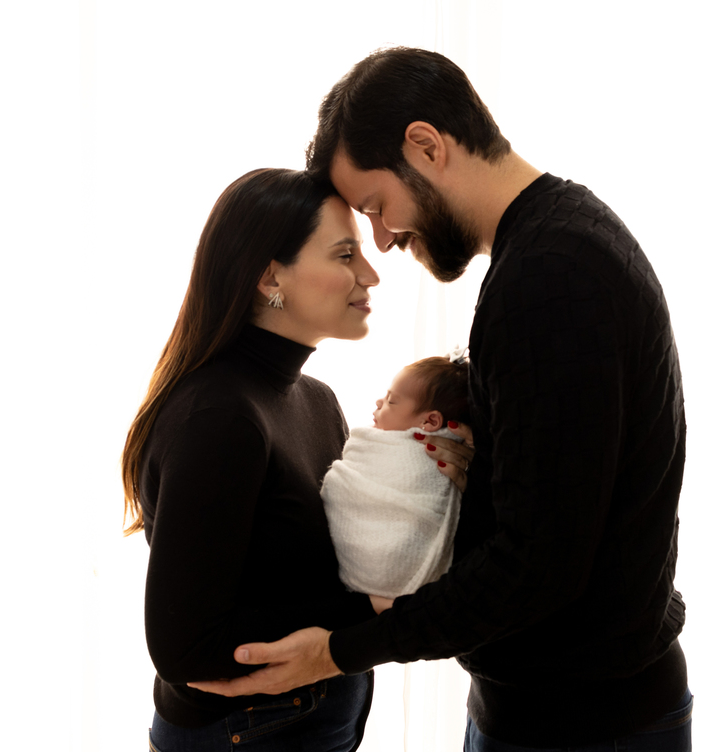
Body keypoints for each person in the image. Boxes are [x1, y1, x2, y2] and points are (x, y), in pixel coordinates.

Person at [190, 49, 692, 751]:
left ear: (426, 146)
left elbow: (536, 568)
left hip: (580, 726)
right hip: (559, 710)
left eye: (376, 208)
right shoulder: (564, 241)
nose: (385, 240)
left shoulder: (548, 277)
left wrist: (339, 651)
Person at [120, 168, 465, 751]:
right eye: (345, 254)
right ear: (269, 276)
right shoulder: (221, 419)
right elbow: (185, 648)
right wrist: (371, 612)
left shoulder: (317, 401)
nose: (371, 273)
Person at [322, 355, 470, 598]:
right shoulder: (377, 446)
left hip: (392, 570)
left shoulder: (444, 455)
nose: (379, 401)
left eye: (391, 401)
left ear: (430, 421)